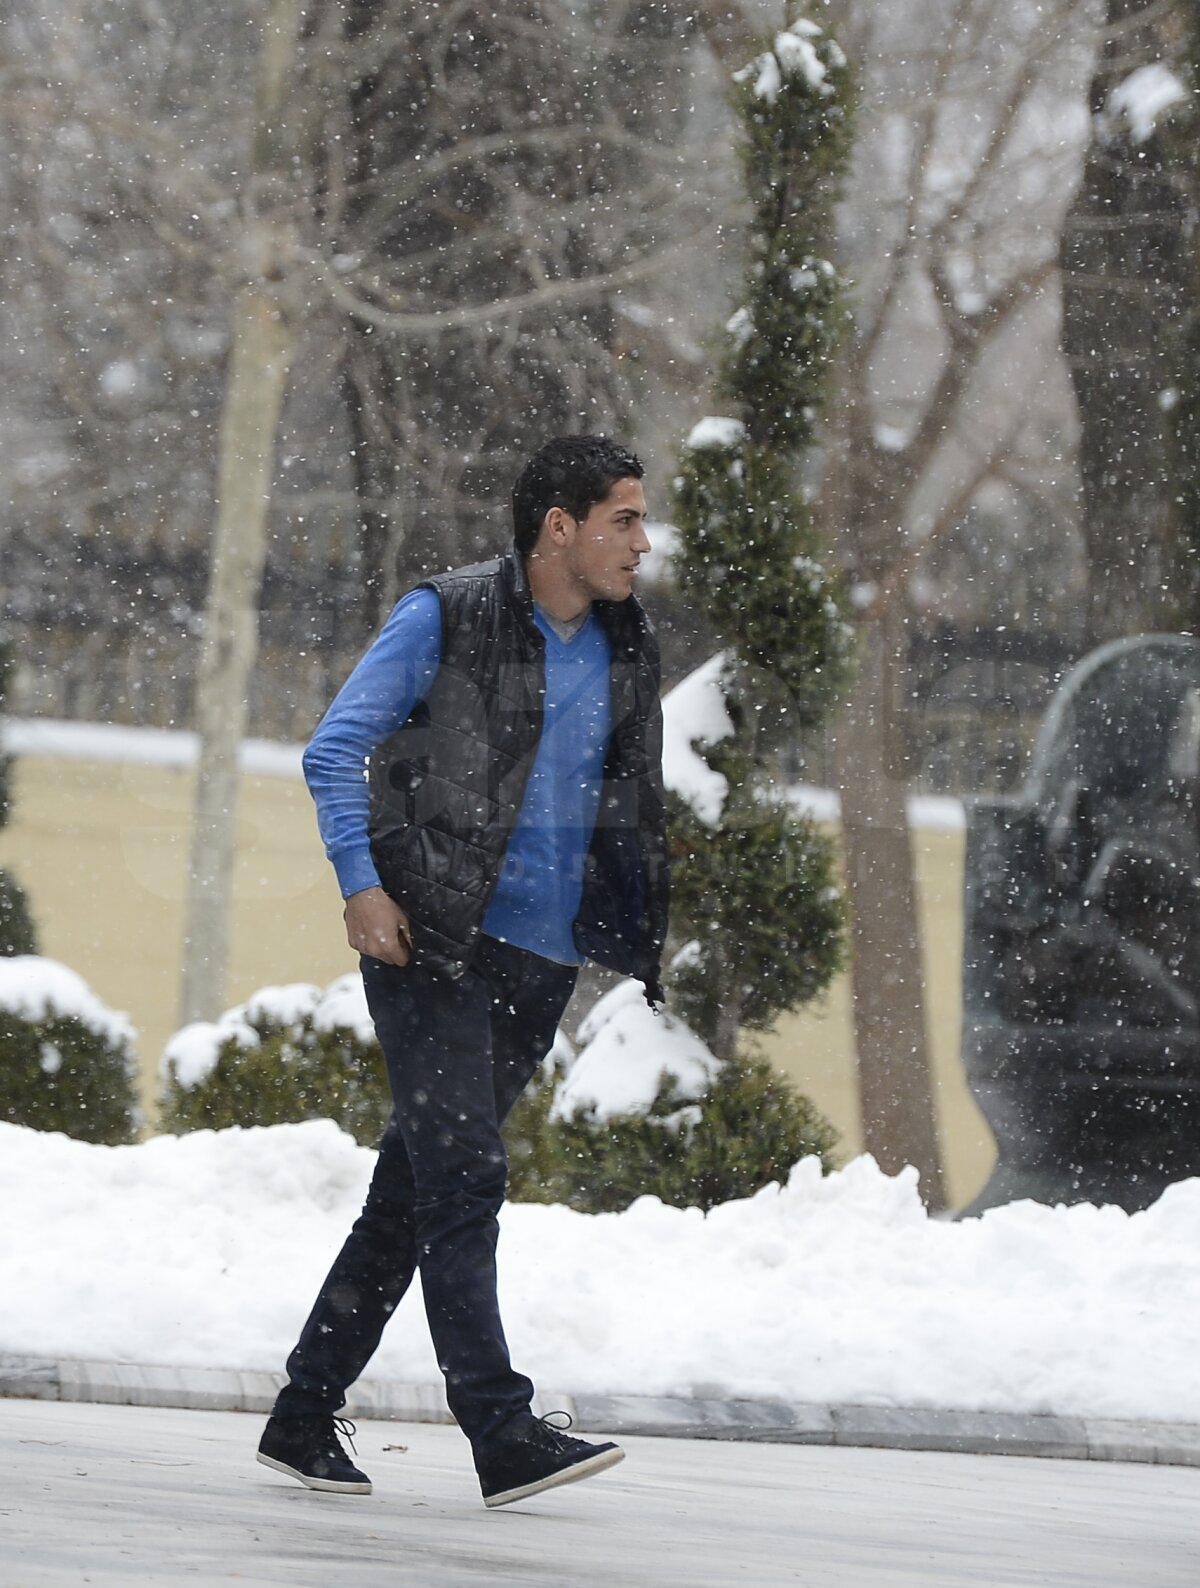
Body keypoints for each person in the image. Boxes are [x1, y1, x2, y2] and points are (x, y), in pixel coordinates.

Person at [257, 434, 669, 1509]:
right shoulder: (448, 614)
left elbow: (620, 795)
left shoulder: (628, 641)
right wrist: (361, 882)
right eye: (624, 518)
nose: (642, 540)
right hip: (429, 941)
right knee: (466, 1176)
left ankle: (303, 1416)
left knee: (415, 1192)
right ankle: (499, 1424)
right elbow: (332, 749)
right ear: (559, 528)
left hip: (540, 960)